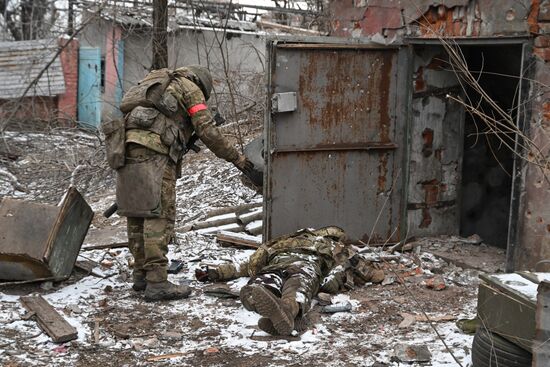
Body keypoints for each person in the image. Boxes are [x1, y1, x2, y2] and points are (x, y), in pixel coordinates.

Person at [114, 65, 259, 301]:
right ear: (203, 84)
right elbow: (207, 130)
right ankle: (157, 282)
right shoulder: (190, 88)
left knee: (137, 210)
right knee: (157, 213)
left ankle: (141, 275)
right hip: (156, 153)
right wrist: (237, 158)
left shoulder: (157, 84)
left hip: (125, 148)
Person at [195, 227, 382, 335]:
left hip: (276, 265)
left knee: (264, 282)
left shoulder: (286, 241)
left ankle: (255, 299)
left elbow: (247, 265)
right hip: (306, 267)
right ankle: (286, 311)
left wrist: (216, 273)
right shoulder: (337, 247)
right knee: (297, 289)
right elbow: (367, 272)